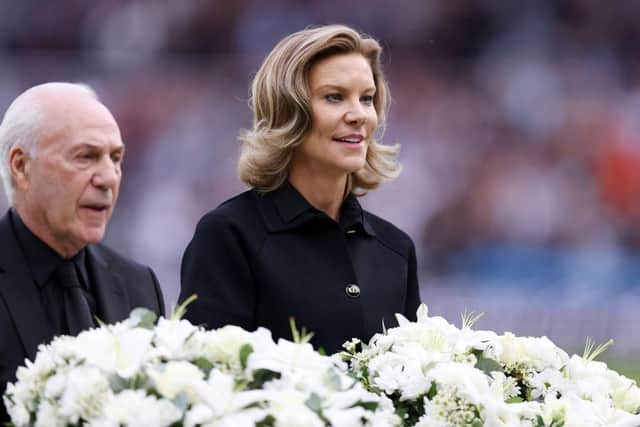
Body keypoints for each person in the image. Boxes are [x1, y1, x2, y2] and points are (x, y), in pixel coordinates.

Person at [179, 25, 420, 353]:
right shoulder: (229, 235)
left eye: (366, 98)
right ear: (287, 110)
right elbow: (210, 379)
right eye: (334, 97)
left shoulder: (395, 249)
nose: (359, 115)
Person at [0, 83, 165, 423]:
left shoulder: (139, 285)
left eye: (116, 158)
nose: (108, 178)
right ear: (20, 166)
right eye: (85, 157)